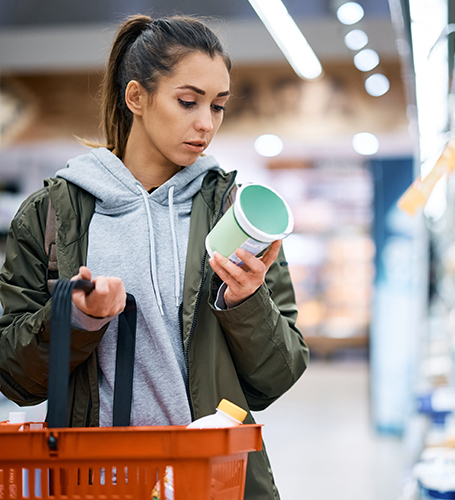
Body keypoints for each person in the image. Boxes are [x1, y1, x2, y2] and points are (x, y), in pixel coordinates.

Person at [0, 14, 309, 500]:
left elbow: (277, 376)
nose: (206, 123)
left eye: (218, 106)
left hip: (213, 480)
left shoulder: (236, 214)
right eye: (188, 101)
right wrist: (78, 319)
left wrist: (246, 302)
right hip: (96, 482)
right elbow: (14, 376)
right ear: (136, 97)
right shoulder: (51, 216)